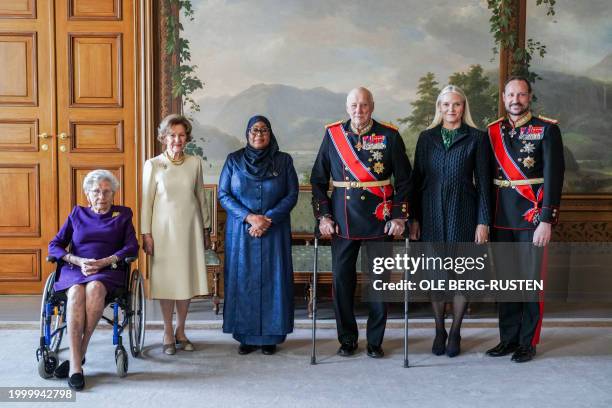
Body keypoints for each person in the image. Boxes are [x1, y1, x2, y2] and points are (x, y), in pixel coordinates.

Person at [310, 87, 412, 358]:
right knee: (342, 283)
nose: (359, 110)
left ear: (372, 107)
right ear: (347, 107)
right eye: (354, 105)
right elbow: (318, 180)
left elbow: (404, 180)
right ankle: (347, 339)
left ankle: (375, 342)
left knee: (379, 283)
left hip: (380, 219)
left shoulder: (390, 135)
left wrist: (400, 216)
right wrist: (324, 216)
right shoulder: (333, 135)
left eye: (364, 105)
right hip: (342, 222)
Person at [485, 76, 565, 363]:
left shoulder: (547, 130)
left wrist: (547, 220)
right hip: (501, 218)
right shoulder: (492, 131)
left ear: (529, 97)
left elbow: (554, 178)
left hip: (532, 220)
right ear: (504, 97)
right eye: (511, 95)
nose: (515, 100)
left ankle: (527, 342)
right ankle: (508, 339)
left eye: (521, 95)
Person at [409, 85, 491, 357]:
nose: (451, 109)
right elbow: (416, 181)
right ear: (439, 108)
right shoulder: (426, 138)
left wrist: (483, 221)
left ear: (463, 108)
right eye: (446, 105)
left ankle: (455, 331)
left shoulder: (477, 138)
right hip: (431, 215)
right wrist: (415, 218)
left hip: (464, 214)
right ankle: (439, 329)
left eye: (456, 105)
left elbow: (484, 184)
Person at [48, 170, 138, 390]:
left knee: (95, 288)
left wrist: (105, 261)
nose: (102, 196)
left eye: (107, 191)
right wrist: (76, 260)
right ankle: (77, 365)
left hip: (108, 269)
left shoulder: (123, 214)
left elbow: (131, 247)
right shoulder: (77, 214)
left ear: (114, 194)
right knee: (77, 292)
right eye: (96, 191)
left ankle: (77, 358)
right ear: (87, 194)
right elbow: (55, 245)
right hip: (76, 268)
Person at [219, 115, 298, 355]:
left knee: (273, 281)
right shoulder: (233, 160)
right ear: (247, 133)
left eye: (263, 130)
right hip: (242, 232)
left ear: (270, 133)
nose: (258, 134)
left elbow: (292, 194)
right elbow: (223, 194)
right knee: (243, 280)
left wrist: (268, 218)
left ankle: (270, 338)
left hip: (275, 231)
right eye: (254, 130)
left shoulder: (283, 161)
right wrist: (250, 217)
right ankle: (245, 336)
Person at [141, 114, 211, 355]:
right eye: (172, 135)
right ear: (163, 137)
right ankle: (168, 331)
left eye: (181, 135)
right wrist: (146, 233)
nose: (177, 140)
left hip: (190, 229)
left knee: (186, 279)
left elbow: (201, 197)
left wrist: (207, 227)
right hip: (163, 231)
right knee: (168, 281)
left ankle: (182, 330)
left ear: (187, 138)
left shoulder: (195, 163)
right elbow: (145, 203)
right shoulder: (153, 164)